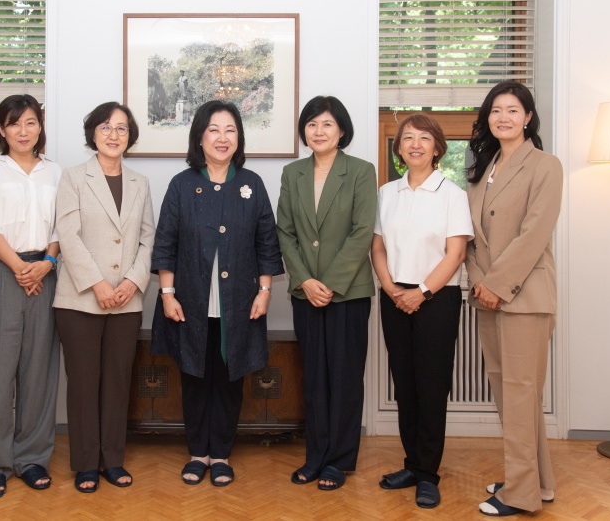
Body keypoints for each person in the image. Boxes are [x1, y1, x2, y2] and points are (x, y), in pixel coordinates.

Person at [151, 100, 283, 487]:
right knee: (193, 377)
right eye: (214, 130)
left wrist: (264, 292)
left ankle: (221, 455)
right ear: (200, 137)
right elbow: (165, 244)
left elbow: (267, 245)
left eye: (230, 130)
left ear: (238, 137)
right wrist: (167, 294)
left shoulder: (251, 184)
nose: (222, 138)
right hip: (188, 301)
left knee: (228, 379)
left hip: (238, 302)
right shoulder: (181, 184)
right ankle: (197, 454)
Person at [465, 81, 562, 517]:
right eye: (496, 110)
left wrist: (498, 284)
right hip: (486, 295)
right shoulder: (484, 168)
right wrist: (478, 281)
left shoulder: (546, 165)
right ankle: (536, 481)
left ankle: (520, 497)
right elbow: (470, 239)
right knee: (511, 395)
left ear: (528, 118)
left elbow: (534, 234)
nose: (503, 117)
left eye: (513, 110)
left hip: (524, 297)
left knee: (522, 394)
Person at [371, 114, 473, 508]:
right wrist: (392, 287)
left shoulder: (452, 193)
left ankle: (429, 474)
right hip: (394, 296)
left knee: (431, 387)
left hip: (437, 300)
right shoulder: (387, 193)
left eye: (424, 138)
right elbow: (377, 247)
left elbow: (456, 252)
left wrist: (422, 292)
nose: (415, 144)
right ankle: (412, 464)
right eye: (407, 138)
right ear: (398, 149)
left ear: (437, 147)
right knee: (406, 385)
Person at [276, 95, 376, 491]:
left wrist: (330, 283)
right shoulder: (292, 173)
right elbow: (285, 231)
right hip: (305, 293)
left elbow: (362, 232)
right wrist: (303, 280)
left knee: (345, 377)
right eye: (312, 124)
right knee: (314, 378)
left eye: (327, 124)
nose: (319, 131)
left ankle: (339, 460)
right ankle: (315, 456)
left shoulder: (361, 172)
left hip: (348, 294)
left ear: (342, 131)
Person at [53, 102, 155, 493]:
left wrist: (132, 281)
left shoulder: (140, 182)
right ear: (92, 133)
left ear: (130, 137)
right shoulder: (73, 178)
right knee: (83, 382)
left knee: (117, 381)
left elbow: (148, 237)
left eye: (122, 129)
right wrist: (97, 283)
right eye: (106, 127)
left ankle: (112, 459)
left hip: (126, 300)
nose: (114, 135)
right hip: (80, 299)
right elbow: (68, 234)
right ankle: (85, 464)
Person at [0, 94, 61, 498]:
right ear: (1, 130)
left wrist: (47, 263)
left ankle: (32, 457)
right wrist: (21, 268)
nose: (23, 131)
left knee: (40, 371)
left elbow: (62, 226)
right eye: (14, 123)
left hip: (47, 273)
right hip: (1, 274)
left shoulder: (56, 172)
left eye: (31, 123)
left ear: (40, 127)